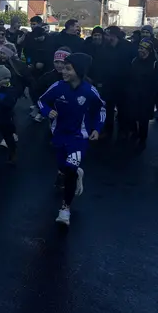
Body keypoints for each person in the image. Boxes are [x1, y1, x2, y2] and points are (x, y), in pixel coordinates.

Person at [38, 53, 106, 227]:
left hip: (79, 137)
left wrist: (97, 129)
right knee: (63, 168)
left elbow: (101, 109)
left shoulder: (89, 91)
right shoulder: (58, 87)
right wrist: (47, 111)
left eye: (68, 69)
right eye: (63, 68)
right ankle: (76, 173)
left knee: (69, 170)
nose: (63, 71)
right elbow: (41, 101)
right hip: (59, 134)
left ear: (79, 71)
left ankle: (65, 209)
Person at [100, 25, 134, 138]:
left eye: (107, 35)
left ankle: (123, 130)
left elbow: (133, 64)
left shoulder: (127, 46)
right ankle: (108, 130)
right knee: (108, 108)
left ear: (113, 36)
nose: (105, 37)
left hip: (123, 84)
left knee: (123, 108)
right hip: (109, 84)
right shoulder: (105, 47)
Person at [126, 40, 158, 148]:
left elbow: (156, 82)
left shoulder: (154, 63)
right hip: (134, 94)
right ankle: (134, 132)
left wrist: (155, 97)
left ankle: (142, 138)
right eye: (140, 48)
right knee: (132, 115)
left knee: (143, 119)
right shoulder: (135, 60)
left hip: (147, 96)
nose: (140, 50)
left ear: (149, 50)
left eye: (143, 49)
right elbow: (130, 76)